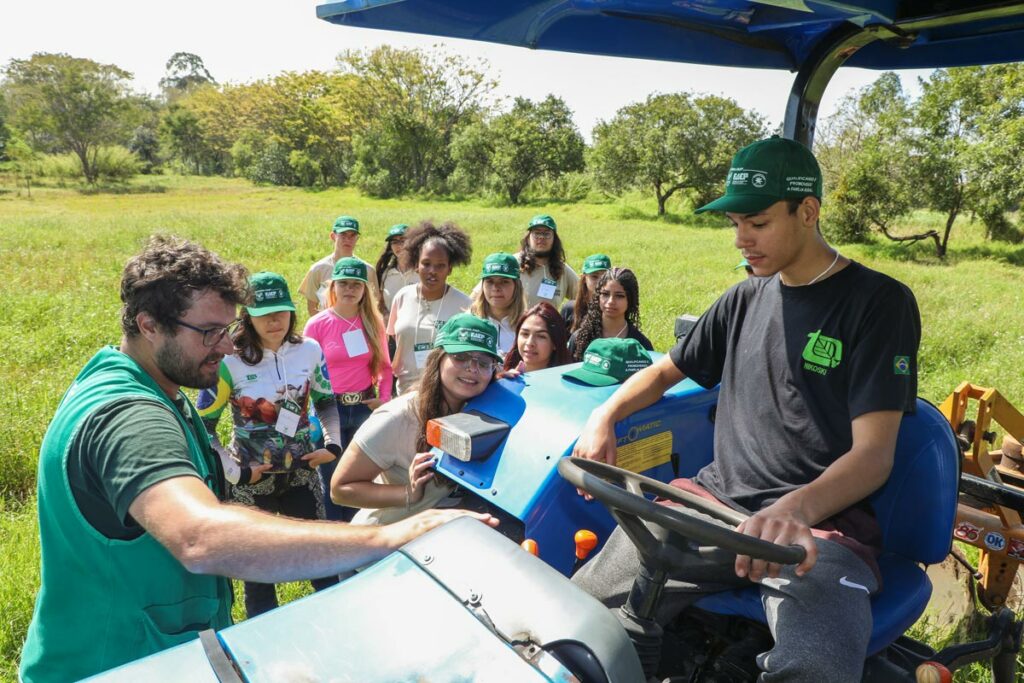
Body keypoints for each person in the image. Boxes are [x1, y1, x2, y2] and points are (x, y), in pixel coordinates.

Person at [20, 236, 495, 683]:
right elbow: (200, 536)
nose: (226, 346)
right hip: (114, 664)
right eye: (209, 332)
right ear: (148, 325)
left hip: (153, 650)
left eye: (227, 329)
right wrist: (387, 535)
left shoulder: (157, 386)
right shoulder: (132, 417)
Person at [571, 137, 921, 683]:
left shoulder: (878, 304)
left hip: (818, 532)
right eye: (735, 223)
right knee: (576, 617)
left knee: (814, 668)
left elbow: (874, 457)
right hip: (712, 505)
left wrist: (793, 512)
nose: (741, 240)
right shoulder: (744, 297)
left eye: (756, 223)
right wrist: (604, 416)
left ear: (807, 211)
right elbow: (666, 370)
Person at [196, 271, 341, 618]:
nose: (274, 320)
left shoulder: (309, 350)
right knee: (257, 573)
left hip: (302, 473)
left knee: (318, 556)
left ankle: (337, 621)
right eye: (263, 313)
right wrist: (236, 472)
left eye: (282, 310)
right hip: (252, 481)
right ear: (247, 315)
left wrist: (332, 447)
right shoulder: (228, 362)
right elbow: (204, 427)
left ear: (293, 311)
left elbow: (325, 402)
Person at [331, 313, 503, 525]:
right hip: (383, 541)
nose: (472, 368)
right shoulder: (396, 418)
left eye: (484, 362)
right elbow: (339, 490)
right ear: (438, 358)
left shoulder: (478, 410)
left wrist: (515, 384)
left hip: (432, 538)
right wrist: (407, 493)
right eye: (461, 356)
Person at [304, 257, 393, 523]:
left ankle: (357, 531)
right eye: (343, 283)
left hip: (364, 409)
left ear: (365, 289)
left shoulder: (372, 322)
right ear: (332, 287)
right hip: (329, 410)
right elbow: (306, 372)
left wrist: (385, 399)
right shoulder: (317, 324)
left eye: (357, 284)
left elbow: (385, 367)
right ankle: (333, 535)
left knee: (358, 478)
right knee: (330, 477)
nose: (350, 289)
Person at [387, 221, 472, 395]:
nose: (432, 270)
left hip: (445, 395)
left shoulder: (464, 305)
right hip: (404, 392)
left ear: (450, 268)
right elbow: (392, 345)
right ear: (416, 265)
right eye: (426, 263)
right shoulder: (402, 297)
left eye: (440, 265)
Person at [297, 215, 380, 316]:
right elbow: (312, 307)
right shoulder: (318, 269)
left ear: (357, 238)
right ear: (333, 236)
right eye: (343, 235)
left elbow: (374, 305)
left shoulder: (367, 270)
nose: (348, 239)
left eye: (352, 235)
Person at [568, 267, 653, 360]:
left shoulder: (641, 344)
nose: (611, 301)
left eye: (619, 296)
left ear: (630, 300)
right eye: (605, 294)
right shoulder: (580, 339)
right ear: (598, 297)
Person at [470, 252, 527, 356]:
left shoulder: (528, 323)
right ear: (482, 286)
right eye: (490, 281)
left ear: (516, 286)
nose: (496, 288)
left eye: (504, 281)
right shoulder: (469, 321)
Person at [516, 214, 578, 310]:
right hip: (517, 324)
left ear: (554, 239)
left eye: (546, 233)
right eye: (536, 233)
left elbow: (584, 297)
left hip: (549, 324)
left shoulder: (562, 269)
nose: (541, 237)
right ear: (528, 237)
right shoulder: (514, 264)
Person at [502, 302, 572, 373]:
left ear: (555, 343)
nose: (529, 343)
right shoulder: (499, 376)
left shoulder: (567, 382)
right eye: (525, 334)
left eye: (541, 336)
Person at [374, 223, 417, 319]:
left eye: (403, 240)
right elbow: (379, 301)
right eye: (394, 242)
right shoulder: (385, 273)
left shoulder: (421, 272)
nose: (399, 246)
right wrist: (386, 315)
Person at [561, 253, 611, 333]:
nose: (600, 282)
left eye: (604, 277)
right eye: (594, 276)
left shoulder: (612, 308)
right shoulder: (570, 309)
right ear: (584, 279)